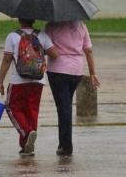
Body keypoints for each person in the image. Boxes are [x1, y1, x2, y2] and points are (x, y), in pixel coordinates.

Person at [0, 18, 58, 156]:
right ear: (34, 20)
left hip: (18, 80)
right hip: (38, 80)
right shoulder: (42, 35)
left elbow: (7, 60)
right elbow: (55, 54)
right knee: (32, 110)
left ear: (19, 20)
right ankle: (27, 146)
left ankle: (26, 132)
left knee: (11, 107)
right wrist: (39, 51)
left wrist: (0, 81)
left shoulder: (12, 36)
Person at [45, 21, 100, 156]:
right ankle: (62, 143)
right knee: (65, 105)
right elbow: (88, 50)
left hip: (57, 70)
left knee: (63, 108)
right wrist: (93, 73)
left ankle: (66, 146)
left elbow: (45, 47)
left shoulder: (51, 25)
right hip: (76, 71)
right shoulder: (81, 25)